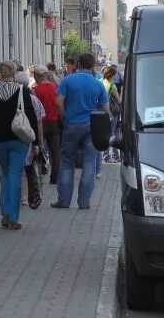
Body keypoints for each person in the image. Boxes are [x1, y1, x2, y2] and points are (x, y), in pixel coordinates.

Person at [0, 61, 39, 230]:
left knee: (6, 175)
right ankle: (13, 217)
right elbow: (31, 117)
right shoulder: (21, 90)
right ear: (13, 73)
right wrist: (36, 142)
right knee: (14, 175)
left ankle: (5, 213)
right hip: (19, 139)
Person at [51, 51, 109, 211]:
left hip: (72, 124)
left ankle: (64, 201)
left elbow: (58, 102)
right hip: (91, 126)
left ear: (77, 64)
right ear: (92, 66)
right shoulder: (98, 83)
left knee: (67, 161)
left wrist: (64, 117)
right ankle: (84, 202)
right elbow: (105, 108)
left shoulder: (68, 80)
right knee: (89, 162)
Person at [16, 71, 45, 210]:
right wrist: (39, 142)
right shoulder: (34, 100)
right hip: (29, 137)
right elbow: (39, 122)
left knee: (16, 168)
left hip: (15, 136)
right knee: (28, 167)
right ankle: (24, 197)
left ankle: (16, 195)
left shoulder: (10, 98)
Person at [32, 65, 61, 184]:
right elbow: (59, 105)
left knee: (37, 149)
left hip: (41, 124)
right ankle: (55, 178)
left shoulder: (35, 90)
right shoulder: (56, 87)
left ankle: (37, 176)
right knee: (55, 152)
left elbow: (34, 109)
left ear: (38, 76)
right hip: (54, 122)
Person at [101, 65, 122, 162]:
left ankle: (110, 156)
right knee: (113, 133)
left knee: (106, 133)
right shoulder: (112, 86)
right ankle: (109, 156)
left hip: (103, 111)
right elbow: (119, 100)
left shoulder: (101, 82)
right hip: (112, 112)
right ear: (111, 75)